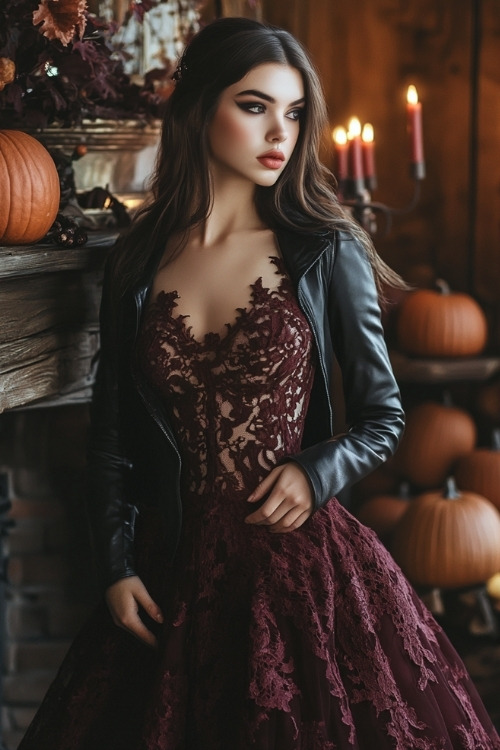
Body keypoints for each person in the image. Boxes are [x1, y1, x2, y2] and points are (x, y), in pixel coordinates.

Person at [19, 16, 500, 750]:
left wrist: (317, 471)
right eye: (254, 106)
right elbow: (111, 432)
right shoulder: (138, 258)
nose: (281, 131)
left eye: (295, 111)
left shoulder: (324, 247)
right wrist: (114, 568)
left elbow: (383, 416)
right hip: (171, 566)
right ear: (197, 106)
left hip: (301, 569)